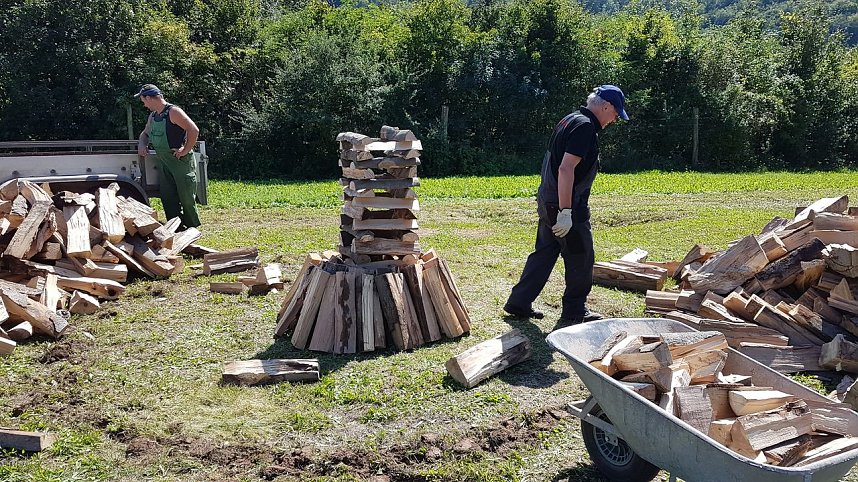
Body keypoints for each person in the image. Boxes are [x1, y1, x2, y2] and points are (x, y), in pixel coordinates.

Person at [504, 85, 629, 325]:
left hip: (548, 199)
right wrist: (566, 211)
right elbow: (565, 168)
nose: (614, 120)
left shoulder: (570, 119)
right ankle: (575, 310)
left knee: (545, 252)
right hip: (564, 204)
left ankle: (519, 302)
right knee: (581, 256)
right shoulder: (584, 127)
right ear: (606, 106)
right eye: (616, 114)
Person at [135, 84, 202, 229]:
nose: (144, 105)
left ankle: (191, 227)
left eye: (144, 101)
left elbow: (193, 130)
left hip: (180, 162)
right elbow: (145, 133)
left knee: (186, 198)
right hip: (164, 162)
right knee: (168, 197)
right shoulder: (153, 116)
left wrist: (185, 150)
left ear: (149, 98)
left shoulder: (173, 112)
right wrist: (142, 144)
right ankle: (175, 227)